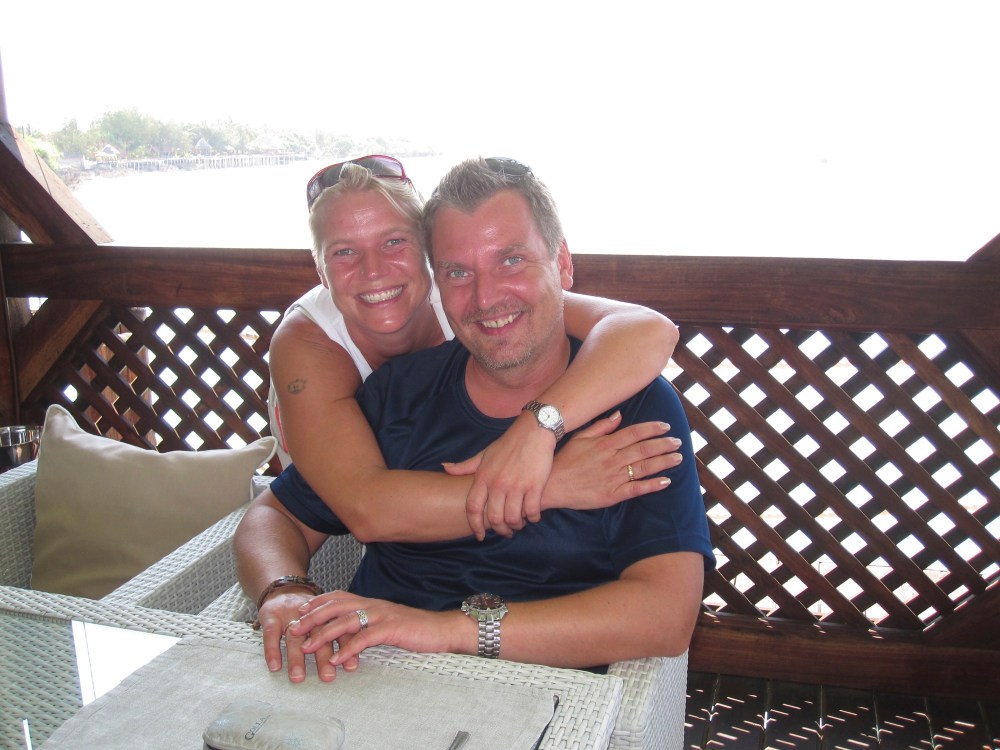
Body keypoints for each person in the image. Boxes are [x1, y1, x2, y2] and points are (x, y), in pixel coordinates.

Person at [236, 156, 714, 681]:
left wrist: (447, 630)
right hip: (366, 673)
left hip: (544, 692)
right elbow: (276, 515)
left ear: (561, 263)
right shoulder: (398, 393)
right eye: (459, 273)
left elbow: (665, 617)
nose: (486, 298)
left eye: (511, 260)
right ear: (438, 282)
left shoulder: (632, 403)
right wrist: (283, 589)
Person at [267, 155, 681, 544]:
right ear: (321, 271)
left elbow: (648, 329)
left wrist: (534, 429)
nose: (373, 270)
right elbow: (363, 507)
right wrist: (553, 483)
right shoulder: (309, 342)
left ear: (427, 254)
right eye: (344, 252)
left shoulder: (465, 293)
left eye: (393, 242)